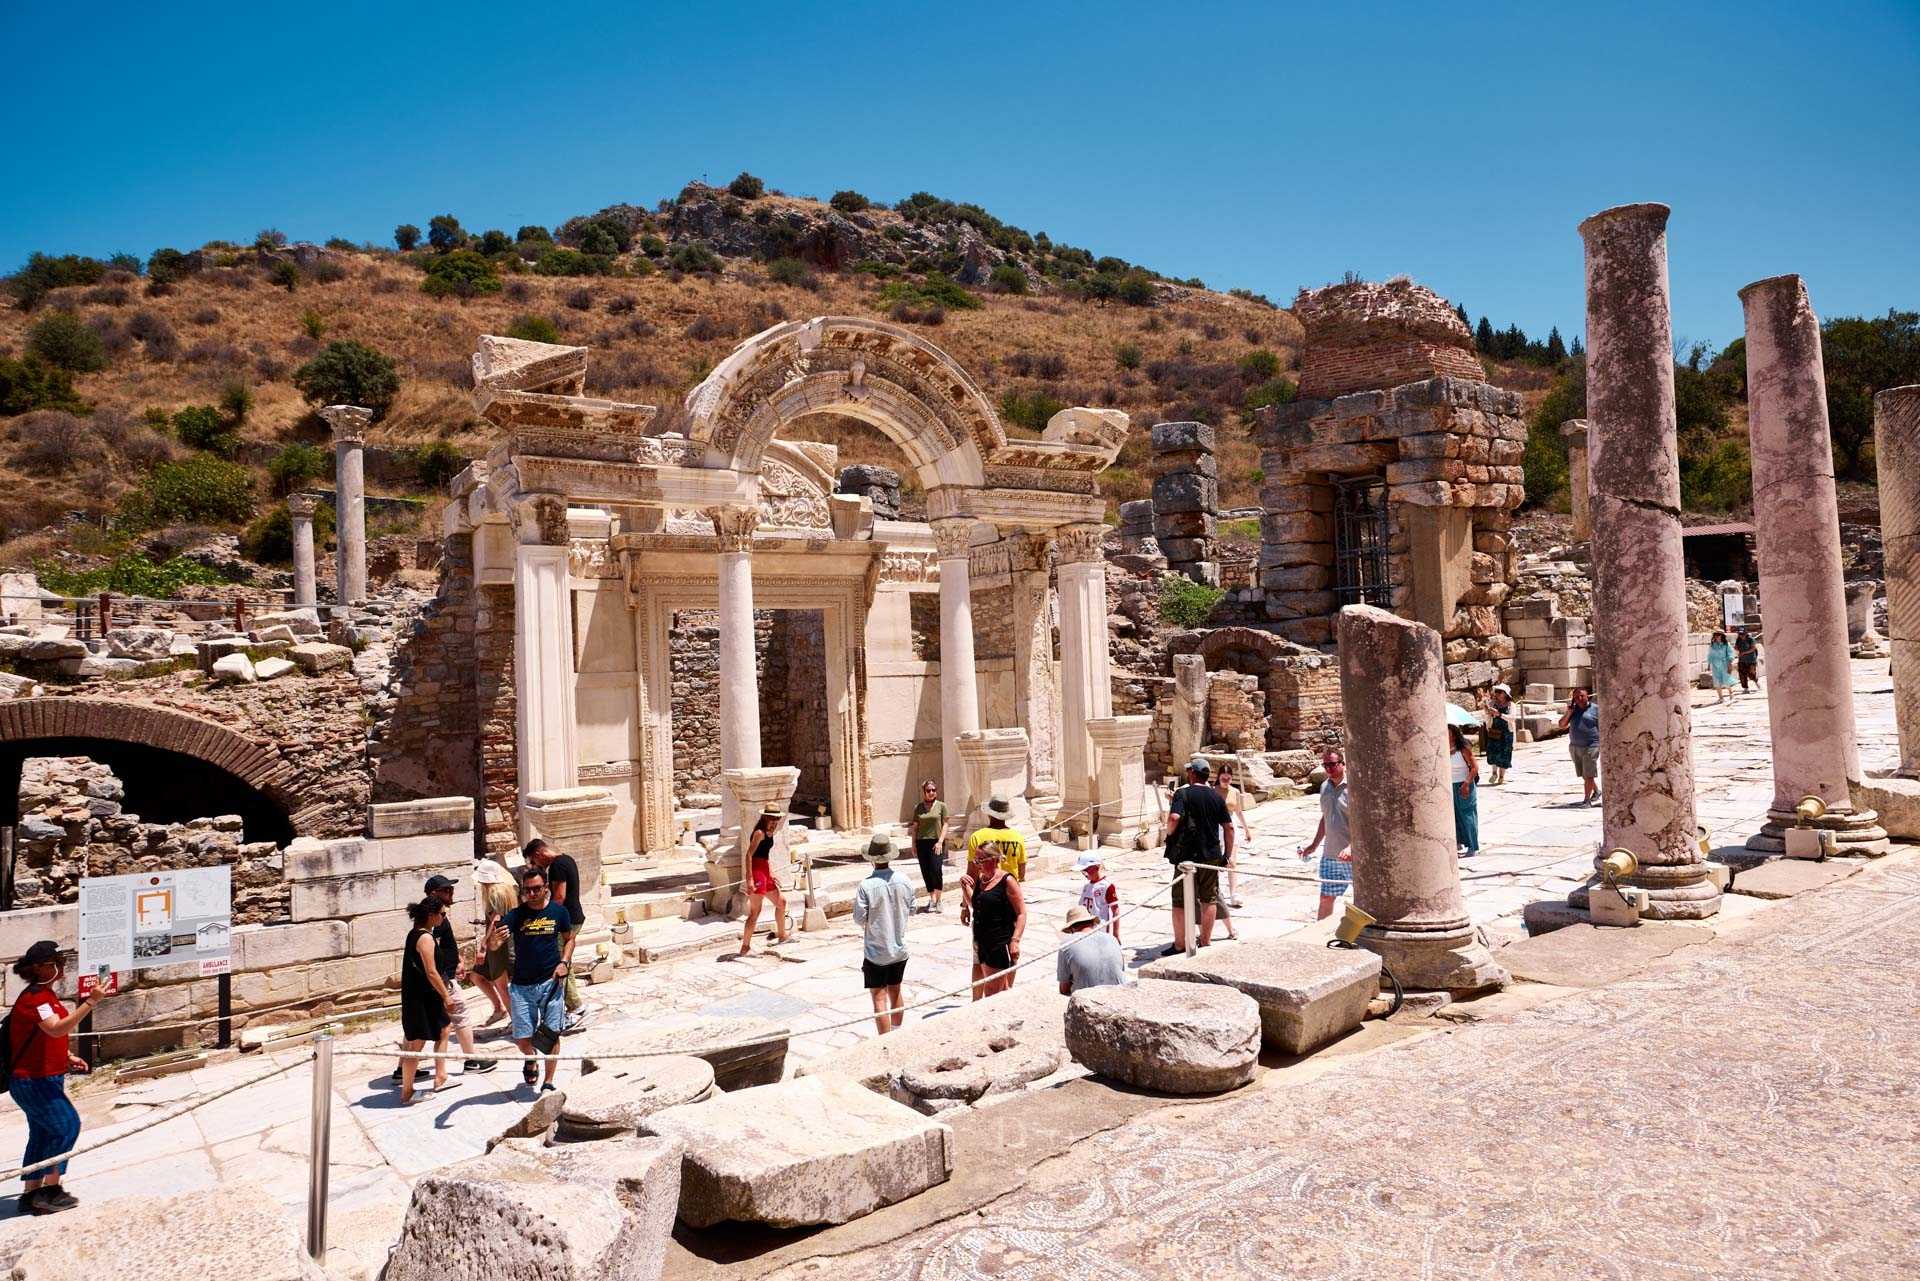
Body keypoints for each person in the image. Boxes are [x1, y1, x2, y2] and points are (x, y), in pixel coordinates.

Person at [7, 940, 105, 1214]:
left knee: (42, 1133)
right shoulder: (35, 999)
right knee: (66, 1126)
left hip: (44, 1077)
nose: (61, 968)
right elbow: (55, 1029)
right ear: (39, 968)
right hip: (32, 1080)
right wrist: (91, 1002)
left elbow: (44, 1037)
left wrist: (66, 1057)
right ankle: (50, 1190)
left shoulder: (44, 997)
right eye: (55, 963)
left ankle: (31, 1192)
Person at [391, 874, 493, 1083]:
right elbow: (431, 953)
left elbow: (445, 944)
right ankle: (469, 1061)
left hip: (443, 974)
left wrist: (458, 961)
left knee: (417, 1027)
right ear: (433, 894)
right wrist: (445, 986)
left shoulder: (434, 916)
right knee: (459, 1014)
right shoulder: (431, 919)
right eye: (446, 890)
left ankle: (404, 1069)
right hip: (440, 978)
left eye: (451, 889)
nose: (451, 893)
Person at [488, 865, 575, 1091]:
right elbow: (493, 943)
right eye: (528, 890)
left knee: (551, 1034)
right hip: (522, 986)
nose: (532, 894)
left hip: (551, 983)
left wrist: (564, 962)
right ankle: (530, 1057)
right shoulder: (516, 915)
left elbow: (569, 939)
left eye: (537, 889)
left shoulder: (559, 912)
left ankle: (548, 1082)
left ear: (545, 888)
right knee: (522, 1040)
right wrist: (495, 942)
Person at [1167, 756, 1233, 952]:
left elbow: (1174, 817)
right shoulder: (1216, 797)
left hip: (1186, 855)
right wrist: (1227, 855)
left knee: (1179, 900)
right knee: (1208, 898)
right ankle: (1205, 941)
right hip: (1211, 854)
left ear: (1193, 773)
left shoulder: (1182, 793)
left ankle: (1180, 944)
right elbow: (1229, 828)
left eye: (1189, 771)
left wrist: (1169, 833)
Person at [523, 839, 588, 1032]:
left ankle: (576, 1008)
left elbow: (559, 897)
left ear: (538, 854)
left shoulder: (557, 866)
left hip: (566, 921)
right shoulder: (567, 859)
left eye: (534, 863)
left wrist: (546, 917)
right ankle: (574, 1004)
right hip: (575, 916)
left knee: (559, 965)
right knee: (565, 962)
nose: (536, 867)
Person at [852, 834, 914, 1034]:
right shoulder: (904, 880)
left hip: (876, 952)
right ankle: (896, 1032)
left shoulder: (866, 886)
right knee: (895, 990)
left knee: (879, 997)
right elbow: (912, 908)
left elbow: (860, 918)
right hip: (898, 948)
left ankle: (885, 1041)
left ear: (871, 859)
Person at [397, 897, 453, 1104]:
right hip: (421, 999)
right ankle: (407, 1092)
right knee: (416, 1044)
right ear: (432, 915)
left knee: (444, 1029)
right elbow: (431, 972)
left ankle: (440, 1076)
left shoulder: (416, 933)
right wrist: (446, 996)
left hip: (425, 997)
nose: (444, 918)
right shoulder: (425, 938)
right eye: (443, 914)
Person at [960, 836, 1025, 1001]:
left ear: (994, 859)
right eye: (976, 860)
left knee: (992, 992)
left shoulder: (1007, 881)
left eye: (981, 859)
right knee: (999, 989)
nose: (977, 864)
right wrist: (965, 887)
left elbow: (1021, 913)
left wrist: (1015, 941)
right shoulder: (982, 880)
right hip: (982, 941)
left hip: (999, 942)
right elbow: (976, 905)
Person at [1297, 749, 1352, 920]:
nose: (1328, 769)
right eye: (1325, 765)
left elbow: (1363, 822)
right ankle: (1320, 935)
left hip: (1354, 856)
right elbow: (1326, 817)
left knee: (1364, 901)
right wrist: (1314, 845)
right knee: (1326, 897)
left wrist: (1352, 847)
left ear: (1343, 764)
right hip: (1331, 853)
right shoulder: (1324, 786)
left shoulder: (1354, 788)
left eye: (1332, 764)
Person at [736, 808, 792, 957]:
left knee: (782, 902)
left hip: (765, 872)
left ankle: (782, 935)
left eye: (777, 819)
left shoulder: (769, 833)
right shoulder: (759, 833)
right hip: (756, 873)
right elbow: (749, 855)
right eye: (772, 819)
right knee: (755, 912)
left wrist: (771, 873)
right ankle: (745, 947)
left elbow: (765, 856)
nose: (774, 822)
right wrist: (749, 879)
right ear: (765, 818)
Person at [470, 858, 518, 1026]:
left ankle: (517, 1022)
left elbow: (496, 920)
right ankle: (499, 1009)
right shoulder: (507, 890)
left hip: (498, 944)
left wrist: (484, 944)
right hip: (501, 942)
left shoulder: (495, 893)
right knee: (476, 976)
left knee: (501, 985)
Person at [1056, 905, 1126, 995]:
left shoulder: (1067, 945)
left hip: (1090, 1001)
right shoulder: (1112, 939)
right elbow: (1120, 971)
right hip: (1119, 995)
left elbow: (1064, 989)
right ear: (1092, 923)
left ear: (1072, 928)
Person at [1214, 763, 1253, 907]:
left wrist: (1247, 830)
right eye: (1223, 778)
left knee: (1232, 861)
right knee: (1217, 861)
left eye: (1228, 779)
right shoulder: (1213, 791)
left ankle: (1233, 894)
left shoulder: (1235, 792)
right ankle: (1216, 891)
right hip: (1217, 827)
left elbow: (1239, 812)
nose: (1226, 781)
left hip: (1231, 827)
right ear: (1218, 777)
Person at [909, 779, 950, 913]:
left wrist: (940, 841)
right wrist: (913, 844)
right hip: (922, 842)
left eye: (933, 790)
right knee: (926, 871)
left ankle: (939, 900)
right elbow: (915, 827)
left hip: (936, 842)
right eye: (928, 790)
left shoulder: (941, 806)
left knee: (936, 869)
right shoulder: (918, 808)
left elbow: (945, 824)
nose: (931, 792)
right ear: (924, 792)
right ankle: (932, 900)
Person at [1557, 687, 1601, 806]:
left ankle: (1587, 801)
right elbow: (1561, 725)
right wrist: (1569, 712)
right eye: (1576, 697)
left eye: (1582, 696)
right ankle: (1596, 791)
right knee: (1584, 773)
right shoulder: (1573, 710)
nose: (1579, 699)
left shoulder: (1596, 710)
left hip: (1591, 746)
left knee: (1589, 774)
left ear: (1588, 696)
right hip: (1575, 746)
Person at [966, 796, 1027, 882]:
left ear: (989, 814)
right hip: (1010, 888)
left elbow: (972, 872)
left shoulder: (977, 836)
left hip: (986, 889)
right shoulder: (1018, 837)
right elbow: (1021, 874)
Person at [1075, 851, 1121, 944]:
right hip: (1085, 929)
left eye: (1086, 871)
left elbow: (1115, 910)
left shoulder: (1107, 886)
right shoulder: (1086, 887)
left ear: (1096, 868)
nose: (1085, 874)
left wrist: (1116, 933)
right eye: (1083, 872)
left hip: (1100, 930)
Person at [1449, 724, 1480, 858]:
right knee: (1454, 815)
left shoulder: (1463, 748)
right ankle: (1459, 842)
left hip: (1464, 784)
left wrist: (1466, 783)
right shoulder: (1442, 748)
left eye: (1448, 733)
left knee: (1467, 815)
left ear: (1454, 735)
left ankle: (1472, 847)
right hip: (1449, 785)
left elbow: (1474, 767)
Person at [1484, 684, 1515, 786]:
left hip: (1506, 732)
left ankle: (1502, 776)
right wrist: (1487, 712)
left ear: (1505, 694)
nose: (1497, 694)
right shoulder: (1492, 703)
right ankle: (1494, 773)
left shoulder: (1511, 705)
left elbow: (1512, 718)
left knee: (1505, 754)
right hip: (1495, 730)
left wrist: (1500, 714)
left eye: (1500, 692)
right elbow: (1487, 717)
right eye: (1496, 691)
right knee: (1493, 752)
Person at [1708, 630, 1736, 704]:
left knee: (1726, 680)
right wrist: (1709, 664)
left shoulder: (1726, 644)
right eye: (1716, 635)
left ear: (1722, 636)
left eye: (1718, 635)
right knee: (1717, 682)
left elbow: (1730, 654)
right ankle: (1721, 698)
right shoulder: (1712, 645)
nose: (1717, 636)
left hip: (1724, 664)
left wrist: (1730, 663)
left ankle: (1731, 693)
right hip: (1715, 665)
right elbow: (1710, 654)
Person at [1734, 625, 1760, 692]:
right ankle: (1745, 688)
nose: (1741, 636)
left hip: (1751, 659)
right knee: (1742, 674)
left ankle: (1756, 681)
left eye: (1742, 634)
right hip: (1742, 659)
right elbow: (1736, 647)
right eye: (1740, 634)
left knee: (1751, 674)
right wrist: (1736, 648)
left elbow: (1753, 648)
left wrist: (1744, 653)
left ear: (1746, 633)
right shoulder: (1738, 639)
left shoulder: (1750, 639)